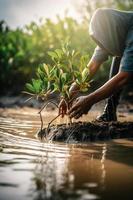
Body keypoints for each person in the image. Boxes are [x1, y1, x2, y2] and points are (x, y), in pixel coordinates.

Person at [59, 8, 133, 121]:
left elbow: (124, 76)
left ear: (110, 30)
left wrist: (90, 100)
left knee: (123, 63)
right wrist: (69, 93)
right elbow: (92, 66)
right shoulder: (111, 33)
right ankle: (110, 112)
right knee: (119, 58)